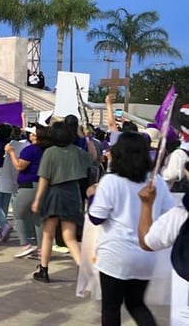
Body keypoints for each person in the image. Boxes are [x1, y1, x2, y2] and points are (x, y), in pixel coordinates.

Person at [88, 132, 173, 326]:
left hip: (115, 254)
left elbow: (96, 217)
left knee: (111, 307)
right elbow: (168, 214)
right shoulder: (156, 182)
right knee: (136, 304)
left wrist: (92, 195)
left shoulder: (111, 181)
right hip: (145, 253)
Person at [31, 121, 91, 282]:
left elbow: (44, 178)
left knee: (48, 234)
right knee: (69, 236)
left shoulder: (50, 153)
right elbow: (93, 158)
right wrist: (86, 137)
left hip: (53, 194)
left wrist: (37, 199)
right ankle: (83, 268)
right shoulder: (78, 152)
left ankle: (43, 270)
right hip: (72, 193)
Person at [6, 126, 49, 259]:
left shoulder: (30, 150)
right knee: (38, 218)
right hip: (43, 184)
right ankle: (42, 249)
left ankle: (25, 244)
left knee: (18, 214)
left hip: (28, 185)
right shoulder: (47, 150)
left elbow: (19, 166)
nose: (29, 135)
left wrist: (12, 152)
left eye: (31, 133)